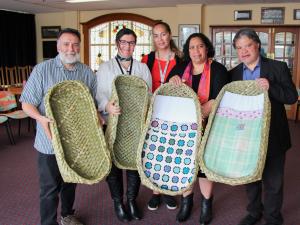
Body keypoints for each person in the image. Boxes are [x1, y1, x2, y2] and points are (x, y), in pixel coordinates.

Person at [20, 28, 98, 225]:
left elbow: (92, 104)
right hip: (49, 142)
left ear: (79, 47)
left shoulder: (86, 72)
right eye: (66, 44)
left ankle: (67, 215)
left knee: (70, 183)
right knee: (49, 187)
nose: (71, 49)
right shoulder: (42, 70)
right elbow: (27, 103)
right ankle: (48, 222)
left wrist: (97, 116)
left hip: (75, 143)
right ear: (58, 46)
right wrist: (40, 117)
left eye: (75, 44)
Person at [230, 28, 298, 225]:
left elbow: (292, 97)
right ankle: (253, 213)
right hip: (245, 135)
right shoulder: (234, 73)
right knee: (251, 179)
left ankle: (273, 217)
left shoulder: (278, 67)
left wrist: (271, 87)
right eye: (239, 48)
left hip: (273, 134)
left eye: (247, 45)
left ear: (257, 45)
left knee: (273, 182)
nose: (243, 51)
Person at [167, 33, 229, 224]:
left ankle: (206, 204)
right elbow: (168, 93)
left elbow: (219, 97)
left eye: (200, 46)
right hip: (183, 128)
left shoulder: (218, 69)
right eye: (192, 47)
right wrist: (171, 81)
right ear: (187, 51)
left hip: (208, 126)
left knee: (203, 167)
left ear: (207, 48)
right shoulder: (179, 68)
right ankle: (187, 202)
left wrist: (201, 112)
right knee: (185, 164)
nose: (196, 51)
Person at [95, 28, 152, 222]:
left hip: (135, 125)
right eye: (124, 42)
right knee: (114, 166)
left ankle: (132, 200)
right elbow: (99, 95)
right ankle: (118, 202)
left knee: (134, 163)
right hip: (113, 123)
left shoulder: (142, 68)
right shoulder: (105, 68)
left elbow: (149, 94)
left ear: (135, 45)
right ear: (117, 43)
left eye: (132, 43)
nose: (128, 46)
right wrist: (106, 106)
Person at [141, 21, 182, 211]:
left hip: (174, 111)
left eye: (163, 34)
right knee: (153, 150)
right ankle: (155, 192)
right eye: (156, 35)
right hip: (153, 111)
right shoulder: (147, 59)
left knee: (171, 150)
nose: (160, 39)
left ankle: (168, 190)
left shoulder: (182, 59)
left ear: (170, 34)